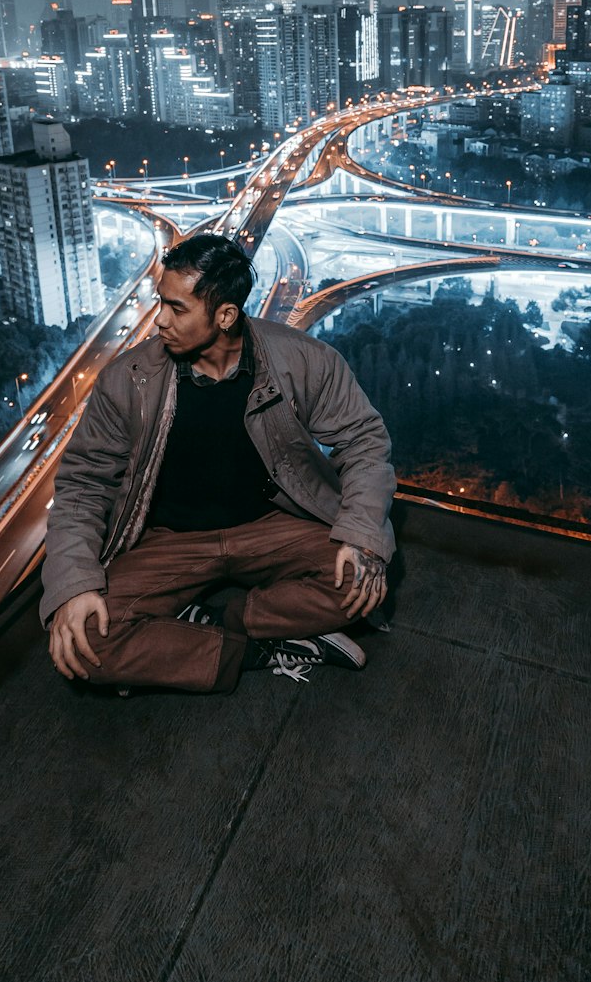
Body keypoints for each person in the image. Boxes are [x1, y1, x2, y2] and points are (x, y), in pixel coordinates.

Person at [41, 233, 395, 692]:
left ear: (225, 315)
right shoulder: (128, 380)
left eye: (178, 308)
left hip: (271, 524)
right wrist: (75, 586)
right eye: (161, 303)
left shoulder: (302, 359)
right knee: (81, 639)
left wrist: (362, 539)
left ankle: (213, 620)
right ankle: (257, 648)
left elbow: (364, 440)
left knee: (362, 582)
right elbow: (82, 485)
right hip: (170, 539)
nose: (160, 321)